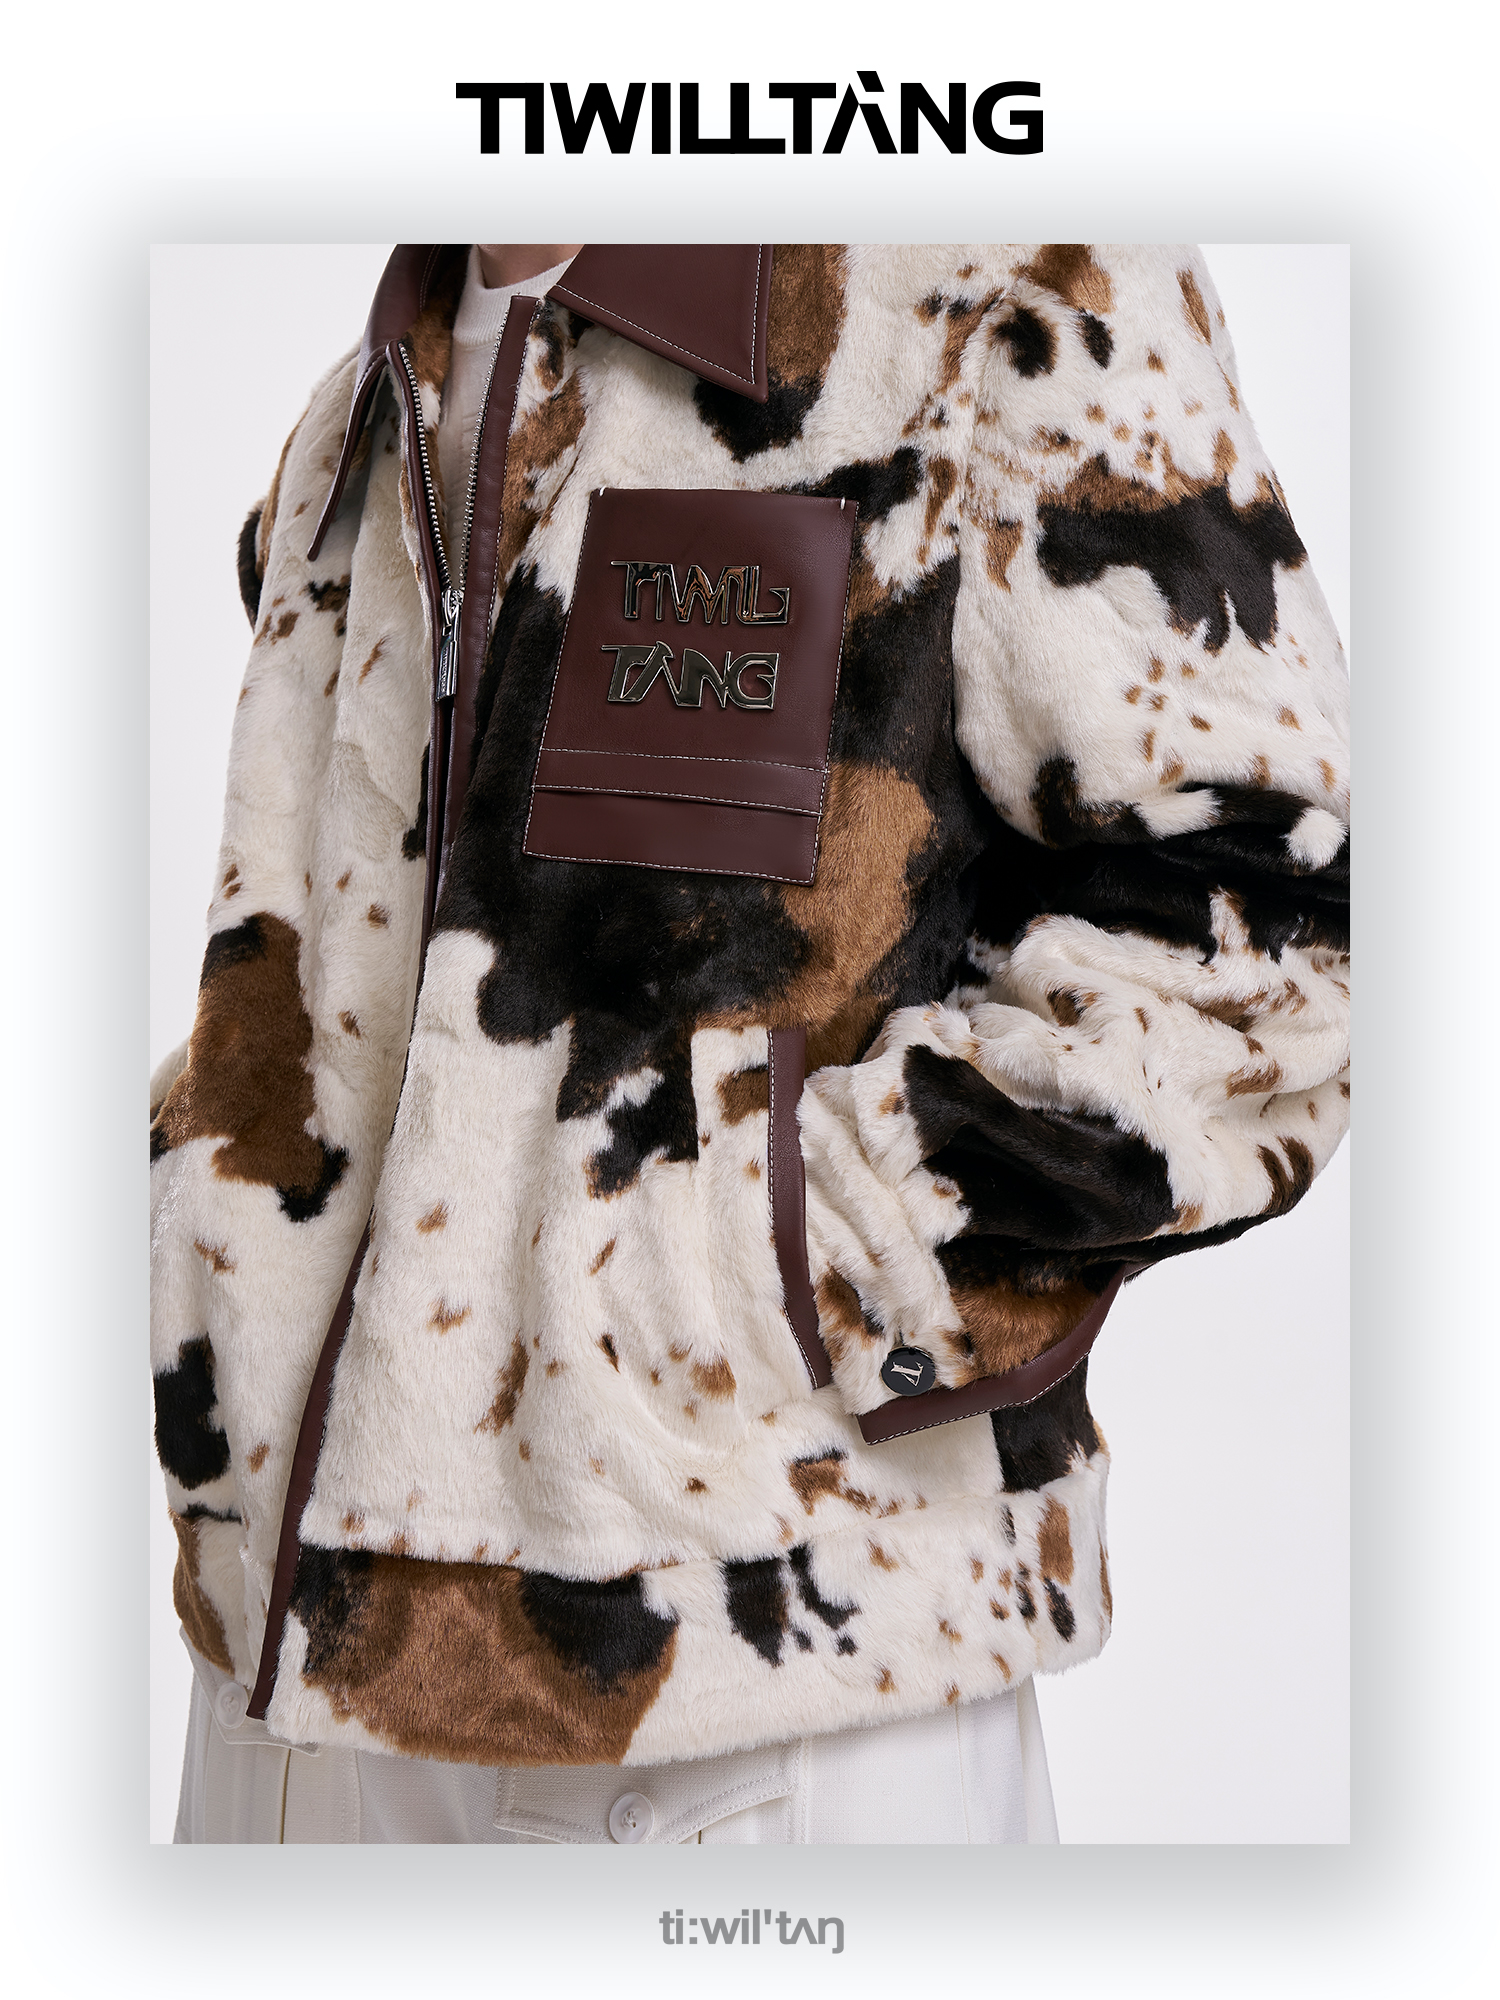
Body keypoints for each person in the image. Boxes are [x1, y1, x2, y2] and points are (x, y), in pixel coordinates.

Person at [152, 241, 1350, 1843]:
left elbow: (1281, 927)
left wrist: (796, 1269)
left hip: (747, 1676)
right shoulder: (367, 401)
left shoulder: (992, 291)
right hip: (282, 1674)